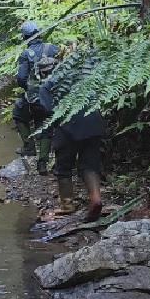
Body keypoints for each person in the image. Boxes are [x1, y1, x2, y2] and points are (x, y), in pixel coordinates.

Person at [39, 51, 106, 222]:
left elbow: (49, 111)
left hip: (69, 125)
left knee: (63, 167)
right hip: (95, 121)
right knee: (90, 165)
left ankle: (67, 205)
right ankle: (96, 199)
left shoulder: (47, 85)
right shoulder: (81, 75)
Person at [12, 21, 61, 174]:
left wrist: (29, 88)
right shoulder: (53, 48)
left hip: (33, 96)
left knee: (18, 114)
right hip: (53, 95)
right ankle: (42, 164)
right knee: (46, 125)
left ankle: (29, 146)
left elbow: (21, 78)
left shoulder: (26, 54)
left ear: (25, 37)